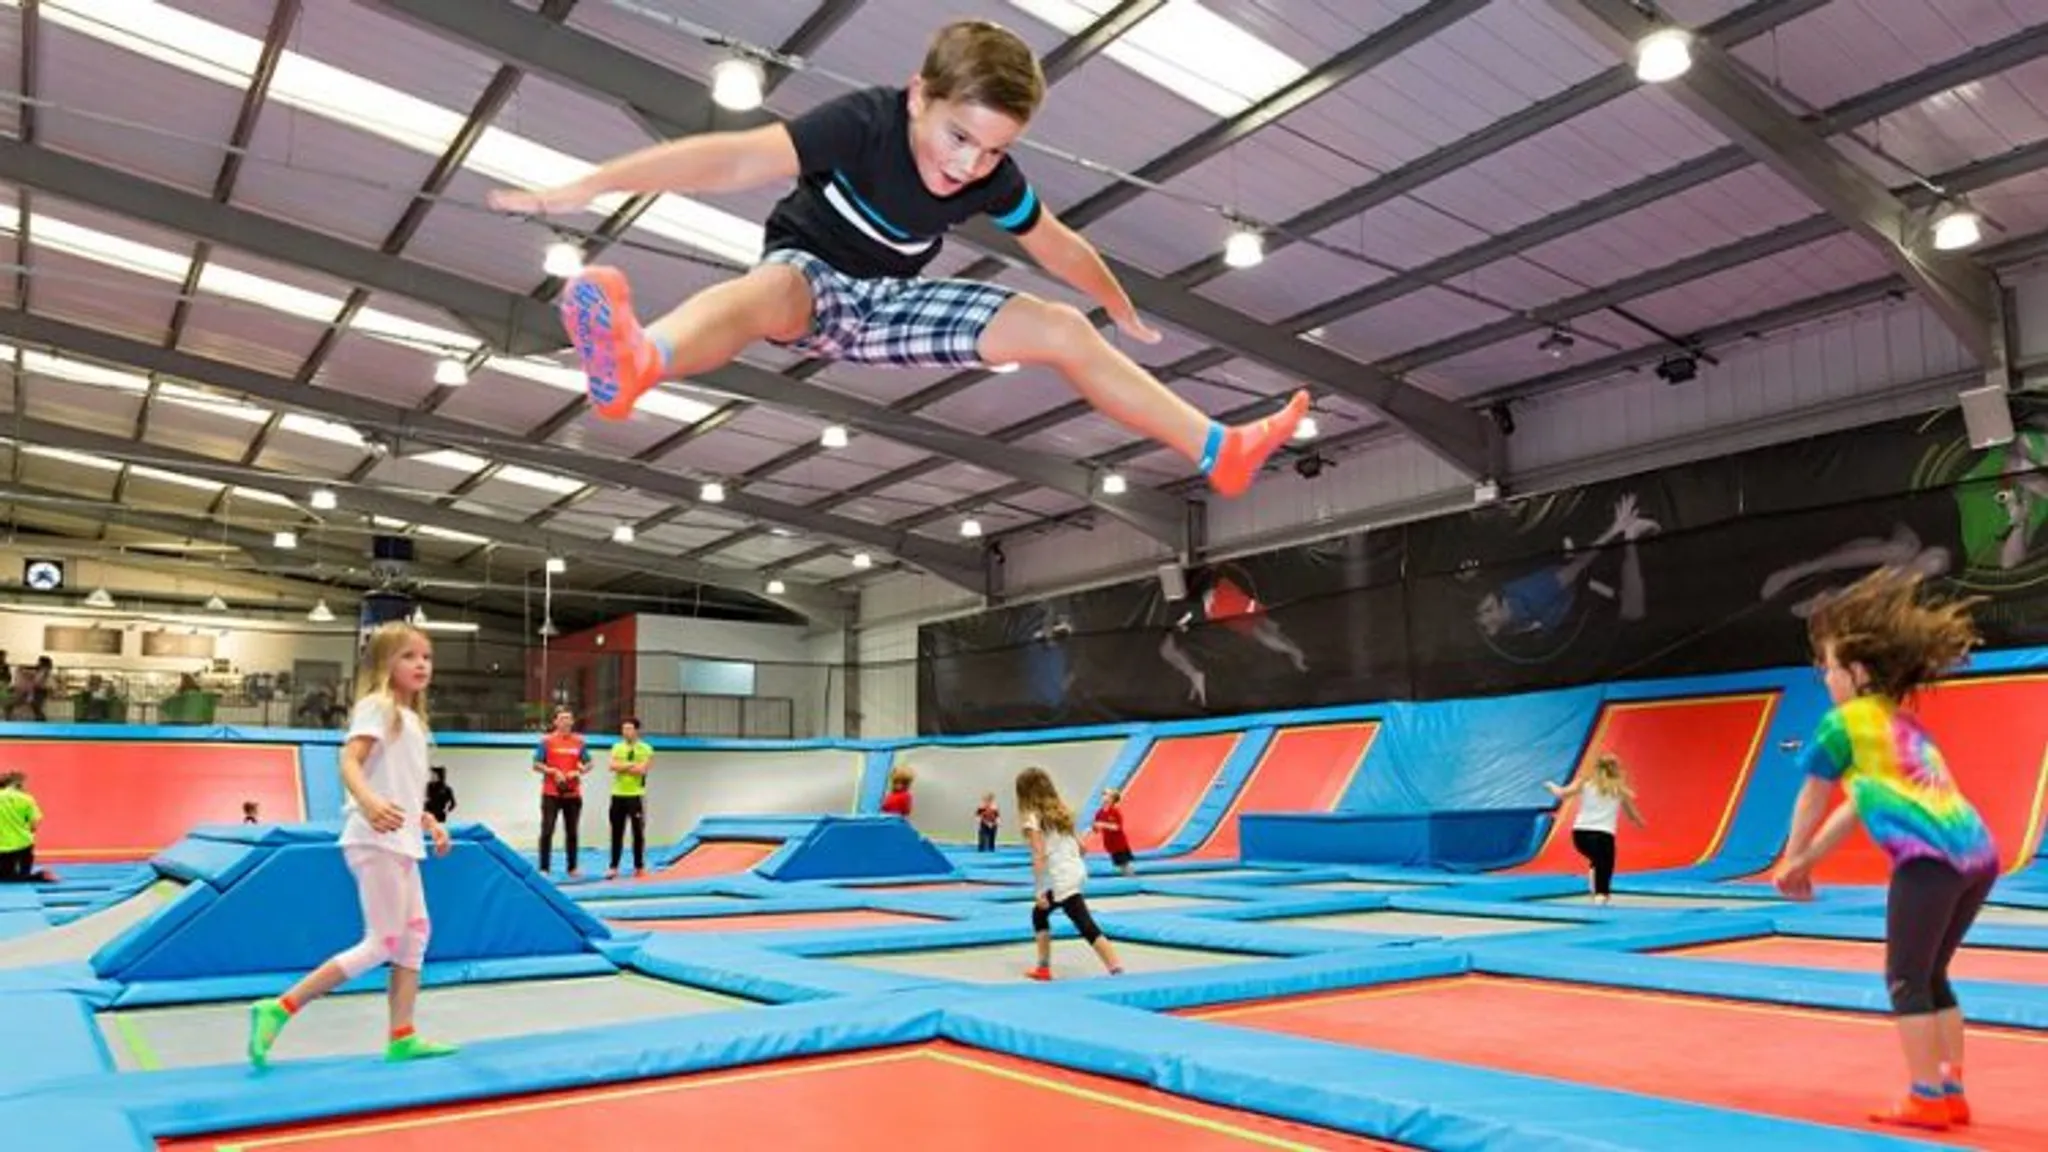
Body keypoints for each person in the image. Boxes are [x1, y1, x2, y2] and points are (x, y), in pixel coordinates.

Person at [486, 20, 1307, 500]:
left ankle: (1214, 448)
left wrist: (1118, 305)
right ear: (919, 95)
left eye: (992, 152)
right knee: (767, 290)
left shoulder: (993, 178)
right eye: (958, 137)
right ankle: (643, 357)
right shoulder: (865, 125)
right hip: (809, 274)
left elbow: (1059, 244)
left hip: (888, 305)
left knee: (1059, 326)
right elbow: (732, 161)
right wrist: (593, 183)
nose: (967, 166)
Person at [1772, 567, 1997, 1133]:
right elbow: (1855, 806)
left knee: (1903, 979)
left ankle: (1925, 1097)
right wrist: (1807, 861)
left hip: (1930, 860)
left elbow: (1814, 794)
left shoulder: (1843, 723)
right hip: (1978, 856)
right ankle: (1950, 1090)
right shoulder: (1901, 725)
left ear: (1857, 672)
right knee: (1933, 974)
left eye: (1827, 667)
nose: (1824, 677)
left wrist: (1791, 855)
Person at [245, 621, 456, 1068]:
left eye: (427, 657)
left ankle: (402, 1035)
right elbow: (350, 761)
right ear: (385, 663)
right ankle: (279, 1007)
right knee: (383, 941)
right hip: (375, 839)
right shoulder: (377, 706)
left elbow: (400, 783)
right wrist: (369, 801)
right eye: (408, 656)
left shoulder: (413, 719)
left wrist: (427, 819)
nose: (421, 664)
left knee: (416, 936)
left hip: (400, 840)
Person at [1016, 766, 1122, 981]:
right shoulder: (1060, 811)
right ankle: (1043, 968)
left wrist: (1039, 890)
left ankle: (1116, 969)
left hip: (1060, 877)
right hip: (1074, 870)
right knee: (1039, 914)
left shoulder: (1032, 818)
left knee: (1084, 923)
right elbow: (1083, 847)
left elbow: (1039, 855)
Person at [1542, 754, 1645, 904]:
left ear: (1595, 768)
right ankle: (1600, 895)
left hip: (1580, 835)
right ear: (1616, 770)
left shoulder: (1584, 782)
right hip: (1603, 834)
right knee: (1605, 863)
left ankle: (1596, 885)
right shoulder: (1619, 789)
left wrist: (1550, 785)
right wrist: (1640, 822)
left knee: (1598, 860)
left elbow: (1562, 793)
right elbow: (1631, 814)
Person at [533, 707, 590, 877]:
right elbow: (536, 764)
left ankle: (572, 867)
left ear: (572, 722)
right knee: (547, 831)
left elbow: (589, 763)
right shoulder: (546, 741)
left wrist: (578, 772)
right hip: (551, 793)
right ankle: (544, 868)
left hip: (573, 794)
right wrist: (552, 771)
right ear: (556, 722)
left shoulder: (579, 742)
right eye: (562, 718)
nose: (566, 722)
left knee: (572, 832)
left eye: (568, 718)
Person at [606, 718, 653, 880]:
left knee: (638, 833)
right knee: (616, 832)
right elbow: (612, 766)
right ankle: (613, 867)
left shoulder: (646, 748)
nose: (626, 732)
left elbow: (642, 770)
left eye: (629, 729)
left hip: (636, 795)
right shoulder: (617, 747)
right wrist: (630, 765)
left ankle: (639, 867)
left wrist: (623, 766)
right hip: (618, 794)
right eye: (624, 729)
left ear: (636, 731)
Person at [0, 771, 42, 883]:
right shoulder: (26, 798)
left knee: (5, 875)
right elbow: (34, 823)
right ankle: (32, 875)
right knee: (20, 876)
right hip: (22, 847)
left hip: (2, 849)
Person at [1093, 787, 1135, 876]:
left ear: (1111, 799)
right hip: (1110, 845)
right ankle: (1127, 880)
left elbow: (1117, 827)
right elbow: (1096, 828)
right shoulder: (1099, 813)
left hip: (1120, 844)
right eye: (1103, 794)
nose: (1103, 796)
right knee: (1119, 864)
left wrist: (1102, 825)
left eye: (1106, 794)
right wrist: (1095, 827)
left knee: (1125, 864)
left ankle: (1132, 880)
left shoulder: (1115, 812)